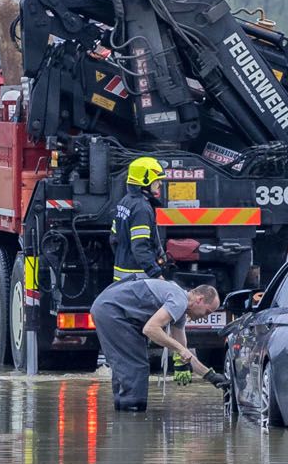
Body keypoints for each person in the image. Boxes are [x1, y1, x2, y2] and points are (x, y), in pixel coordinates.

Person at [89, 277, 219, 412]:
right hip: (111, 311)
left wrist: (211, 376)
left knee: (127, 370)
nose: (205, 317)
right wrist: (179, 350)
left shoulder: (180, 308)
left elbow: (185, 352)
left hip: (112, 310)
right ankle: (133, 418)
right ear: (199, 299)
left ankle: (123, 417)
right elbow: (150, 329)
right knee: (135, 369)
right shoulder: (179, 301)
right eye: (207, 312)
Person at [110, 156, 166, 281]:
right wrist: (156, 274)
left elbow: (113, 239)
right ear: (145, 181)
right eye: (157, 180)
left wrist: (123, 258)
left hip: (121, 275)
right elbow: (140, 247)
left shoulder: (124, 202)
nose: (160, 184)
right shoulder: (142, 209)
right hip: (138, 279)